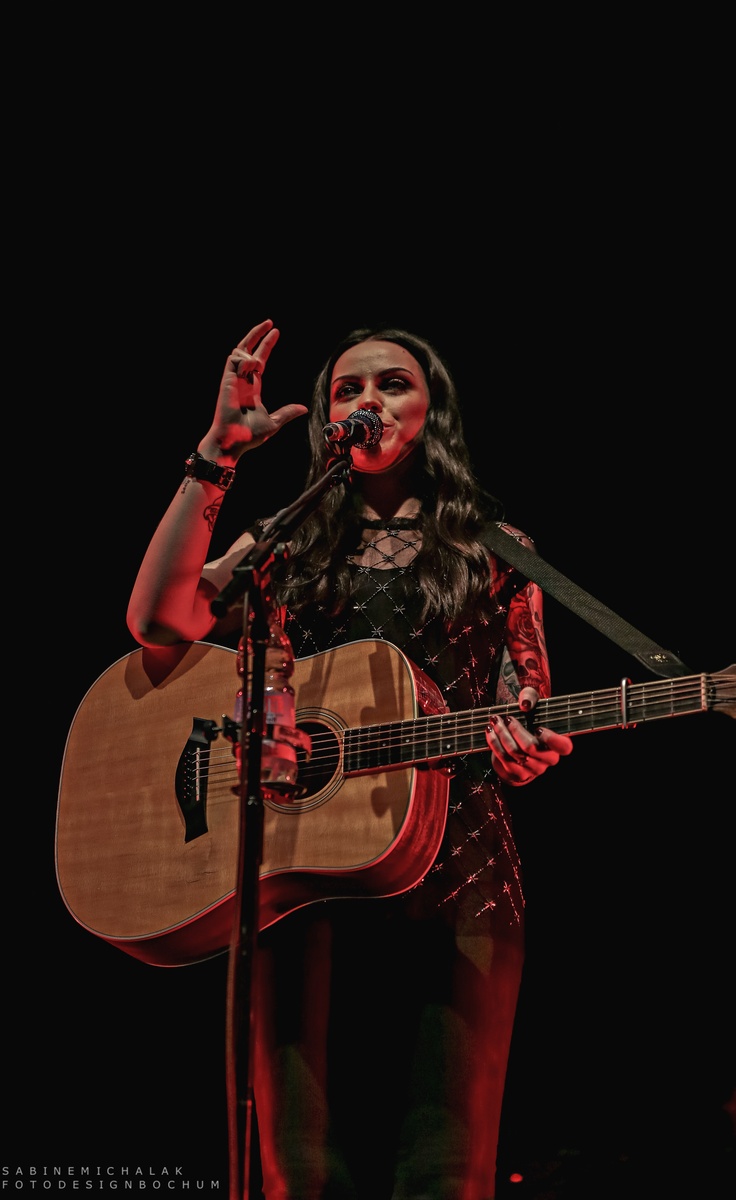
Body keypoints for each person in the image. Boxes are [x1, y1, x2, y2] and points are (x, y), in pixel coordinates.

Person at [126, 317, 574, 1200]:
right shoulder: (284, 544)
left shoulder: (497, 548)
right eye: (347, 388)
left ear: (433, 412)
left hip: (461, 871)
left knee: (443, 1175)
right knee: (302, 1175)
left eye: (392, 383)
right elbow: (156, 619)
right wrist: (217, 452)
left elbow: (527, 693)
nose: (368, 399)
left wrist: (524, 747)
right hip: (300, 872)